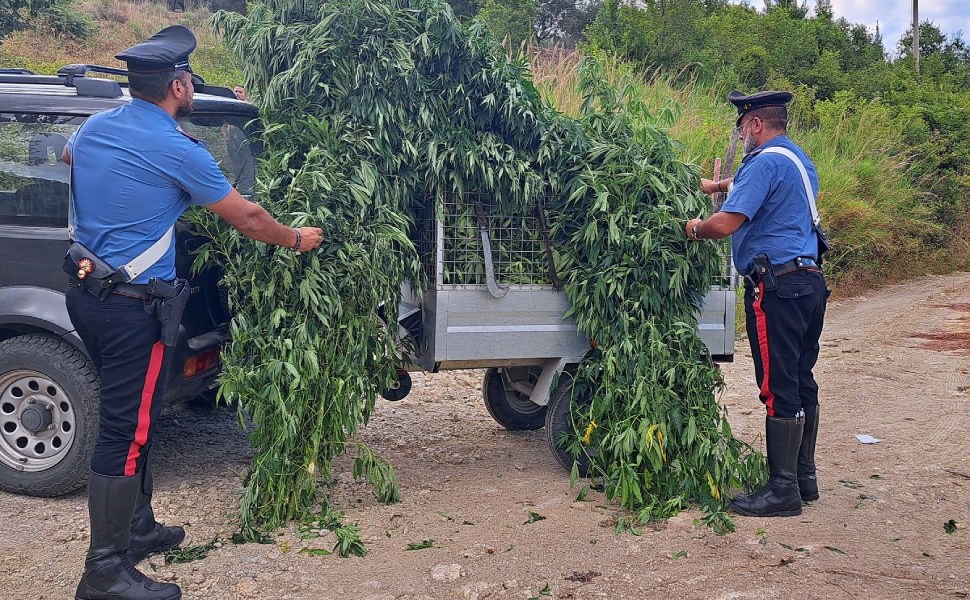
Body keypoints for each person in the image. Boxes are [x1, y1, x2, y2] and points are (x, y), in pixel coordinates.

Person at [63, 25, 323, 600]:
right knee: (124, 430)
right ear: (180, 86)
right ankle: (104, 571)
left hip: (86, 297)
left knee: (136, 414)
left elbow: (67, 155)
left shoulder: (93, 128)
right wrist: (299, 239)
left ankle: (138, 527)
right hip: (133, 308)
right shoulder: (176, 148)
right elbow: (250, 218)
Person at [685, 90, 828, 518]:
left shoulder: (762, 161)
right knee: (802, 377)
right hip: (809, 283)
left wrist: (692, 228)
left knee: (776, 384)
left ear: (756, 125)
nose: (742, 134)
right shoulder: (798, 160)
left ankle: (781, 491)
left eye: (743, 127)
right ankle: (804, 478)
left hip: (776, 289)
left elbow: (725, 224)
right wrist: (719, 185)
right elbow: (752, 183)